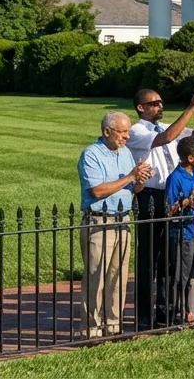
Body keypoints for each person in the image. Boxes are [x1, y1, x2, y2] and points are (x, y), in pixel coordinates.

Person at [127, 87, 194, 330]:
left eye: (161, 102)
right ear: (140, 108)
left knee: (170, 257)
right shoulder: (137, 131)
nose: (159, 106)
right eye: (153, 103)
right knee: (149, 257)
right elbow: (163, 140)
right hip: (151, 196)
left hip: (174, 194)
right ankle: (144, 314)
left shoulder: (166, 127)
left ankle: (167, 310)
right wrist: (191, 107)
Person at [77, 111, 151, 339]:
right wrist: (130, 177)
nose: (127, 137)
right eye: (122, 132)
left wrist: (139, 181)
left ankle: (114, 326)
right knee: (96, 277)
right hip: (99, 221)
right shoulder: (91, 155)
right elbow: (97, 191)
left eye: (128, 131)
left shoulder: (126, 153)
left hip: (123, 220)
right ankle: (92, 329)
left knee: (118, 276)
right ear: (106, 131)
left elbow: (133, 190)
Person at [164, 137, 194, 325]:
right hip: (183, 233)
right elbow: (169, 211)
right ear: (190, 158)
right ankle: (180, 311)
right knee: (182, 274)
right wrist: (190, 198)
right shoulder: (175, 178)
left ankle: (191, 310)